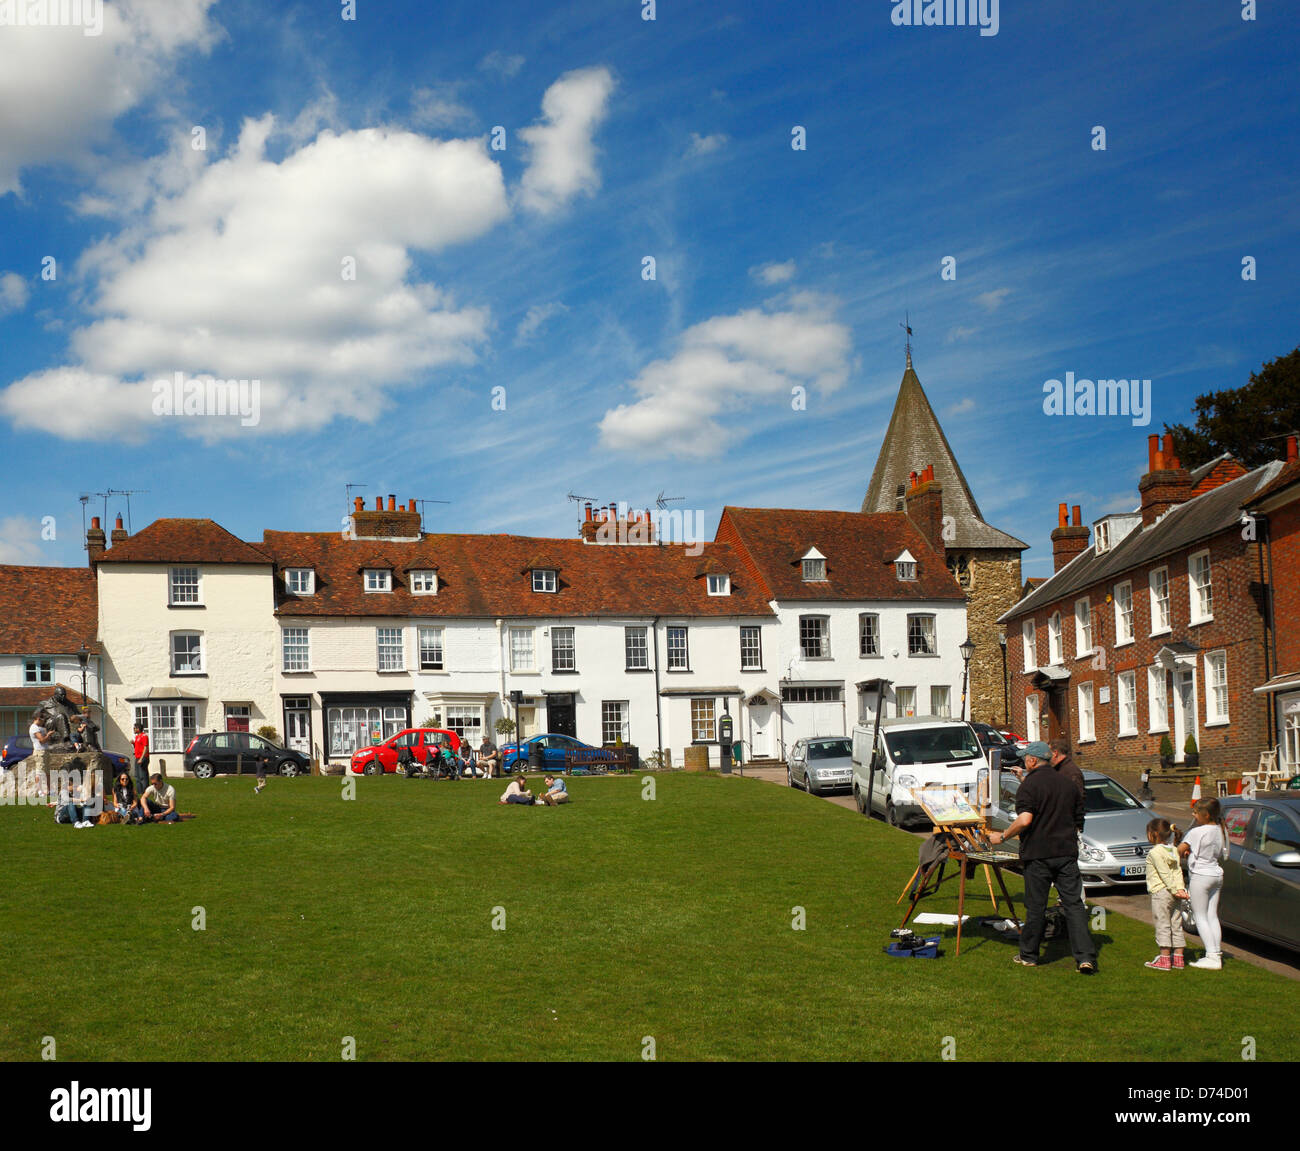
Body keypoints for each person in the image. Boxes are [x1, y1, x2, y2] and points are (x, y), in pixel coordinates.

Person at [989, 740, 1097, 973]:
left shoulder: (1029, 787)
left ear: (1032, 760)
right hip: (1066, 852)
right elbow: (1079, 819)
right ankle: (1085, 958)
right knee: (1074, 905)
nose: (1023, 762)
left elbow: (1025, 820)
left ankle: (1029, 955)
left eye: (1024, 758)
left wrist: (1003, 836)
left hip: (1038, 854)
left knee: (1036, 906)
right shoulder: (1067, 784)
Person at [1179, 797, 1228, 970]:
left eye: (1195, 812)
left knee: (1199, 916)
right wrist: (1192, 853)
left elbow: (1179, 850)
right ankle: (1217, 953)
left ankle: (1212, 956)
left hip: (1201, 876)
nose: (1193, 815)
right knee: (1212, 915)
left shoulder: (1196, 831)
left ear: (1205, 815)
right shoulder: (1219, 829)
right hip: (1215, 874)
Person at [131, 722, 150, 794]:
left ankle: (146, 791)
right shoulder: (137, 737)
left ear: (138, 729)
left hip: (143, 758)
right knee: (137, 776)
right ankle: (140, 792)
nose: (134, 729)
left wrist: (141, 758)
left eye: (134, 728)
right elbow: (137, 748)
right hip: (137, 757)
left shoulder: (144, 736)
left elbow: (145, 748)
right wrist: (133, 743)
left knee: (143, 776)